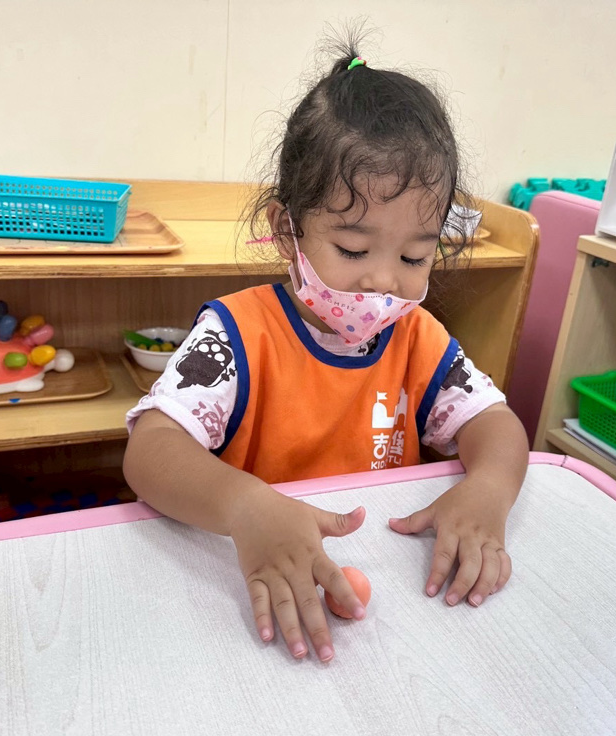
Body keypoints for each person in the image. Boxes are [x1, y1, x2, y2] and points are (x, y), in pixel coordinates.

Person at [123, 44, 529, 664]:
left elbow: (494, 423)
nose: (384, 280)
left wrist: (490, 488)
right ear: (287, 230)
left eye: (414, 256)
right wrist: (242, 505)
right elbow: (151, 451)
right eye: (354, 250)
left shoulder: (418, 337)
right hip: (254, 584)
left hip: (385, 605)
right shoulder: (235, 335)